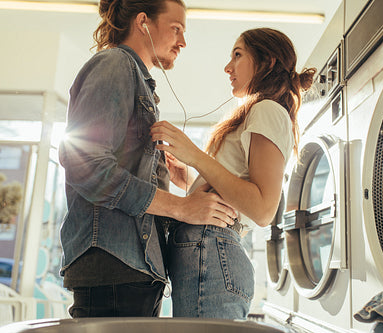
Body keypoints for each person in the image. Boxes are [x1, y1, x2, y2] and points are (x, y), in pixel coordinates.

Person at [58, 0, 236, 318]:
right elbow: (84, 164)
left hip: (132, 268)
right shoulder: (114, 64)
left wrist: (180, 187)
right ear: (144, 22)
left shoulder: (139, 81)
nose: (183, 41)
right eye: (176, 28)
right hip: (115, 267)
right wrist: (181, 207)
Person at [150, 27, 316, 319]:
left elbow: (263, 209)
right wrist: (189, 178)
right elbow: (239, 185)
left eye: (237, 55)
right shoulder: (258, 111)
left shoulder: (267, 110)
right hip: (210, 250)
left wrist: (197, 157)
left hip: (213, 251)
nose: (228, 67)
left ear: (269, 62)